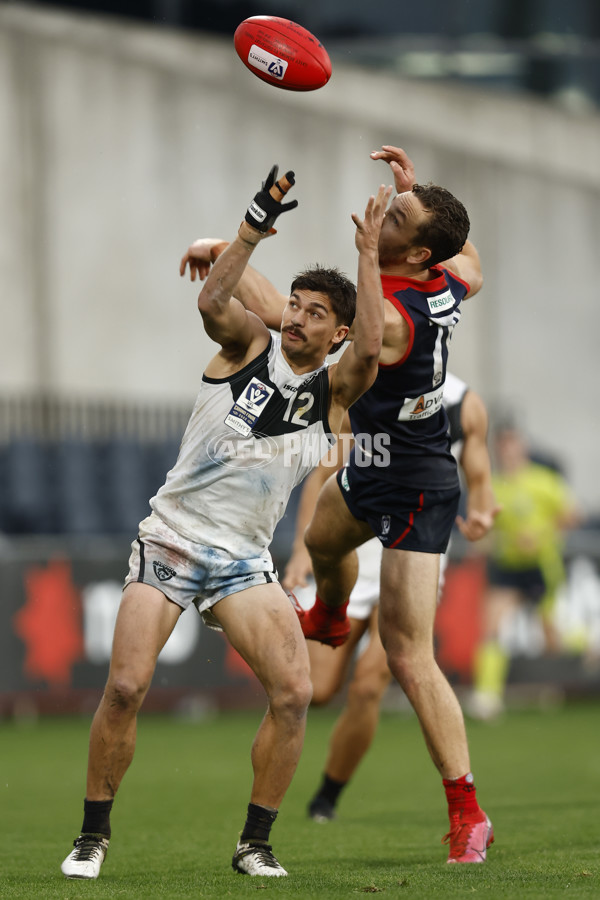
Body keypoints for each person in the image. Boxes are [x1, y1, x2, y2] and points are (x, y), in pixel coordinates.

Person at [60, 165, 392, 880]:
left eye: (313, 313)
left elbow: (372, 348)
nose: (298, 318)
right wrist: (250, 227)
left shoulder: (335, 393)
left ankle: (255, 844)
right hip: (172, 539)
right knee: (125, 687)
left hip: (243, 561)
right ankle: (92, 836)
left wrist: (367, 258)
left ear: (333, 332)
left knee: (297, 693)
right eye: (293, 305)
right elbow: (214, 297)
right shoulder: (247, 347)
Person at [185, 145, 492, 864]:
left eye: (400, 213)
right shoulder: (448, 276)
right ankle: (326, 613)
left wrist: (242, 251)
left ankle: (466, 810)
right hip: (375, 461)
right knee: (322, 542)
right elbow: (471, 260)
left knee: (411, 655)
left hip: (419, 481)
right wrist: (417, 194)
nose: (385, 206)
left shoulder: (393, 319)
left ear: (413, 252)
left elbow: (305, 321)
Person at [282, 372, 498, 823]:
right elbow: (326, 468)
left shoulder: (463, 404)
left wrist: (480, 510)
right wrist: (305, 548)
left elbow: (479, 474)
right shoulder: (367, 381)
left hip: (417, 553)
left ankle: (327, 797)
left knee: (370, 684)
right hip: (356, 546)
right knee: (315, 690)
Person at [468, 422, 581, 721]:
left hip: (541, 568)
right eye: (503, 446)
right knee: (492, 624)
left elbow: (572, 516)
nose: (509, 451)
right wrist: (485, 537)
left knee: (553, 639)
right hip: (508, 569)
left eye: (513, 444)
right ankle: (487, 697)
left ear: (523, 447)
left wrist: (540, 535)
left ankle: (589, 648)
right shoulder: (494, 485)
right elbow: (484, 527)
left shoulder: (544, 481)